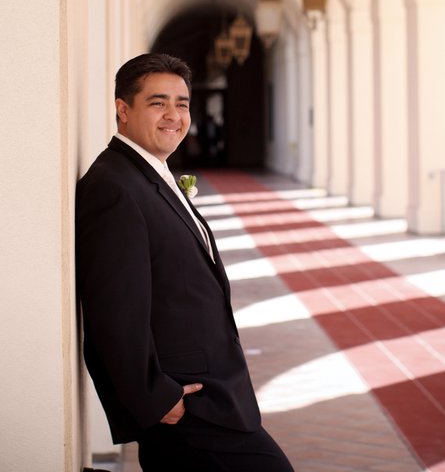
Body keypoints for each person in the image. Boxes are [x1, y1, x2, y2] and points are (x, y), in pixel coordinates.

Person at [76, 52, 294, 472]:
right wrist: (154, 397)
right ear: (123, 109)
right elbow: (114, 310)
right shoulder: (114, 188)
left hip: (207, 390)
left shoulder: (147, 172)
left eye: (182, 104)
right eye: (158, 103)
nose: (173, 116)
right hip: (186, 400)